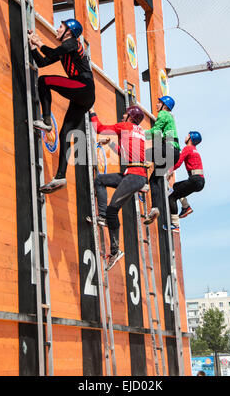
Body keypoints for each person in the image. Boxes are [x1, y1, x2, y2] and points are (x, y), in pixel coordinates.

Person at [28, 18, 95, 193]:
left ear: (69, 32)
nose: (57, 30)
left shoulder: (72, 43)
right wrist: (34, 47)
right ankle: (60, 177)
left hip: (84, 87)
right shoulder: (66, 49)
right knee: (65, 133)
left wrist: (39, 41)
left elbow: (50, 52)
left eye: (60, 27)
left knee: (44, 81)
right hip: (85, 95)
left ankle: (47, 120)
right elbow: (43, 62)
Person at [89, 106, 147, 271]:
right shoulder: (139, 131)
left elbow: (99, 128)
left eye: (125, 113)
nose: (123, 115)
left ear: (130, 117)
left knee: (113, 211)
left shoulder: (125, 126)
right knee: (100, 180)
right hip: (134, 174)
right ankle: (102, 217)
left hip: (134, 175)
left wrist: (92, 111)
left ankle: (115, 250)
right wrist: (111, 144)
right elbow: (124, 153)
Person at [143, 96, 180, 225]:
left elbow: (156, 131)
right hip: (173, 154)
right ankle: (155, 208)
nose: (157, 104)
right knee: (154, 179)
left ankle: (138, 179)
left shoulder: (164, 113)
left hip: (168, 149)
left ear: (165, 106)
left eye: (159, 102)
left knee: (144, 153)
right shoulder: (170, 117)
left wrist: (141, 134)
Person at [167, 131, 205, 232]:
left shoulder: (187, 148)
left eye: (187, 135)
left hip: (194, 179)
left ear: (190, 138)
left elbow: (178, 162)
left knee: (172, 197)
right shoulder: (195, 150)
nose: (185, 136)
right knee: (176, 186)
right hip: (200, 181)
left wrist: (168, 171)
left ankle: (174, 224)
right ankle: (186, 206)